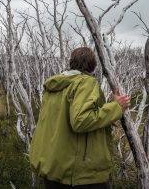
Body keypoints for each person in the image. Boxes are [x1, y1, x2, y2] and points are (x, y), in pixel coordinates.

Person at [29, 47, 131, 189]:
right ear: (94, 65)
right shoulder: (86, 82)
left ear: (72, 63)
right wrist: (117, 107)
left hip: (53, 168)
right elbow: (81, 120)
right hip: (81, 175)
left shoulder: (54, 87)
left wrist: (109, 105)